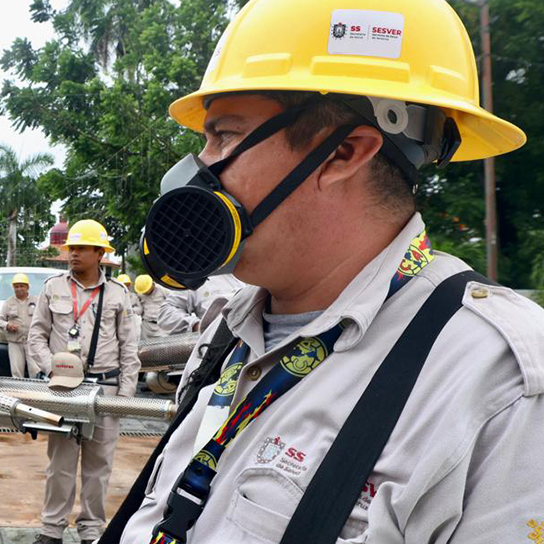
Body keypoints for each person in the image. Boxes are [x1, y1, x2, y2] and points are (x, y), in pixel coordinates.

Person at [108, 0, 543, 542]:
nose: (200, 168)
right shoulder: (232, 333)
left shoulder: (497, 385)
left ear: (343, 152)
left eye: (225, 136)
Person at [28, 219, 140, 544]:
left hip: (105, 387)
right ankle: (51, 530)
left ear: (99, 253)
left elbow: (129, 348)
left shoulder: (118, 294)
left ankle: (92, 531)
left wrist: (125, 396)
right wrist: (52, 367)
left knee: (99, 465)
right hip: (64, 387)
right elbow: (36, 335)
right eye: (71, 248)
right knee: (60, 463)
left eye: (80, 248)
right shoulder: (53, 288)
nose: (73, 254)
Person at [156, 274, 244, 334]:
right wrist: (196, 325)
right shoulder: (195, 280)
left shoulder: (244, 271)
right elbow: (166, 313)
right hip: (219, 345)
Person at [0, 273, 39, 378]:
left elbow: (44, 319)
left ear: (27, 287)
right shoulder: (8, 303)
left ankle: (36, 393)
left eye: (22, 286)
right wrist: (7, 325)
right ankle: (18, 393)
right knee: (16, 371)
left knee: (35, 371)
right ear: (13, 288)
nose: (19, 289)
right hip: (15, 343)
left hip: (33, 342)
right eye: (16, 286)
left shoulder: (37, 301)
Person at [133, 275, 167, 343]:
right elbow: (140, 309)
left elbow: (173, 303)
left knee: (162, 347)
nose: (144, 293)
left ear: (151, 285)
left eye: (146, 291)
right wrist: (132, 310)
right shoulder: (140, 293)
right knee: (145, 347)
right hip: (147, 326)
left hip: (161, 325)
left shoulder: (163, 290)